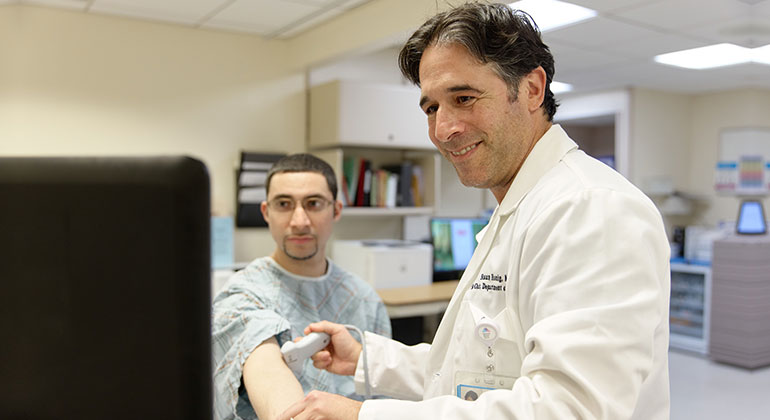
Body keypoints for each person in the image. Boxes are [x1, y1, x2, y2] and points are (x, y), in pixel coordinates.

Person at [277, 3, 670, 420]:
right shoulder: (519, 209)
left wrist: (364, 416)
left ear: (533, 89)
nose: (443, 129)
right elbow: (475, 374)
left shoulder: (592, 209)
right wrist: (366, 359)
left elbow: (566, 409)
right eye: (431, 108)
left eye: (464, 98)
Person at [211, 153, 392, 420]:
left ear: (336, 210)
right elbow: (270, 379)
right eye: (284, 204)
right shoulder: (241, 296)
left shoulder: (364, 299)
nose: (299, 221)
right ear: (266, 212)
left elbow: (385, 392)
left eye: (313, 204)